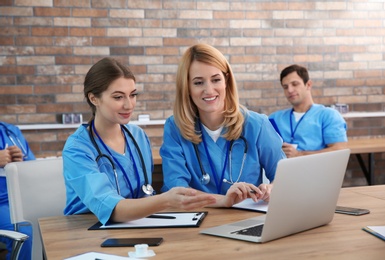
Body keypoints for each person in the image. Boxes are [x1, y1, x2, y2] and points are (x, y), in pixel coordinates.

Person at [62, 58, 216, 225]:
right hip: (86, 231)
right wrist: (165, 200)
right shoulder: (77, 149)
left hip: (134, 226)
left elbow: (144, 195)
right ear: (94, 99)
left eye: (133, 95)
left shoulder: (138, 136)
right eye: (118, 97)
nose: (129, 105)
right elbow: (111, 208)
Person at [160, 43, 286, 206]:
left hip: (245, 220)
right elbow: (177, 192)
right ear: (187, 87)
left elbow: (284, 178)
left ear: (226, 81)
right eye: (198, 82)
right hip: (195, 219)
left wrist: (271, 189)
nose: (209, 90)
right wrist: (224, 200)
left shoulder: (257, 125)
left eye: (216, 79)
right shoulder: (174, 128)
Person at [269, 64, 348, 158]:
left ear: (308, 85)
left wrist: (299, 154)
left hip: (315, 171)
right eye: (285, 87)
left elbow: (339, 150)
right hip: (280, 172)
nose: (290, 90)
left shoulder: (328, 115)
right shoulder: (275, 118)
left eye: (295, 84)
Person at [0, 122, 35, 260]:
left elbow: (34, 166)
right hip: (2, 205)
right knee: (23, 234)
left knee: (53, 226)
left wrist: (19, 163)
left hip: (19, 199)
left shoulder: (10, 131)